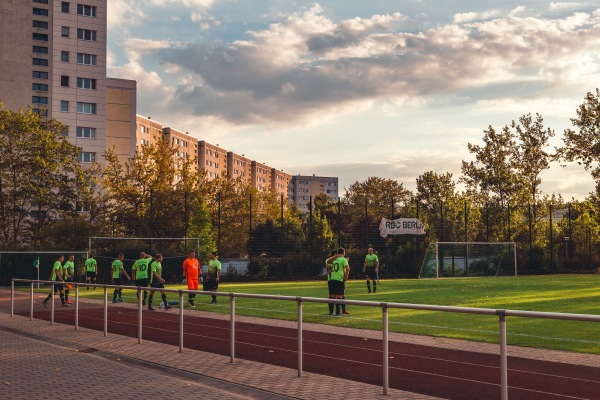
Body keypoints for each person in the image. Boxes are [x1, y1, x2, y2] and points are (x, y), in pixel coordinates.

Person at [326, 248, 350, 316]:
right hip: (339, 279)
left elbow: (328, 262)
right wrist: (346, 277)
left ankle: (333, 312)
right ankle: (338, 313)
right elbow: (348, 269)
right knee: (340, 296)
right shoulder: (343, 259)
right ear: (344, 252)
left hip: (332, 279)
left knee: (333, 295)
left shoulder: (333, 259)